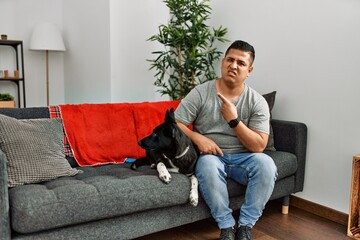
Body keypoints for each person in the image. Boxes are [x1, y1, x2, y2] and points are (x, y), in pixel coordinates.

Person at [175, 40, 278, 240]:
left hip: (244, 158)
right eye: (230, 60)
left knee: (267, 164)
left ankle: (246, 226)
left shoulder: (256, 101)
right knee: (206, 165)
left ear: (249, 70)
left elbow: (259, 146)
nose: (233, 65)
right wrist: (196, 137)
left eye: (241, 63)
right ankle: (227, 227)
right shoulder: (202, 92)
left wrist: (234, 120)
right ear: (222, 62)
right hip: (211, 156)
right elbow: (175, 123)